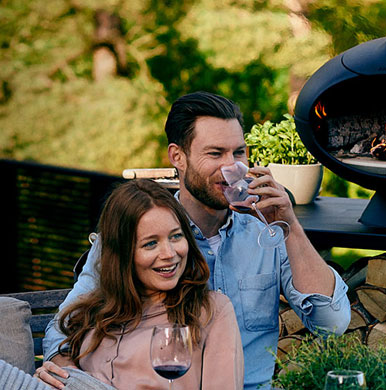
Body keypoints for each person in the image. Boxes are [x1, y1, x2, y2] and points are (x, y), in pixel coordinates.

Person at [42, 91, 351, 390]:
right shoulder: (138, 233)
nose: (232, 167)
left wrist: (290, 225)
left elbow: (332, 324)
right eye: (215, 153)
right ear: (178, 156)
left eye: (239, 152)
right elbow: (62, 334)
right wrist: (75, 382)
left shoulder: (266, 233)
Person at [37, 179, 243, 389]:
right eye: (151, 243)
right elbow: (61, 362)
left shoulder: (211, 311)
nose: (170, 254)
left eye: (176, 236)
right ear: (121, 253)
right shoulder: (96, 311)